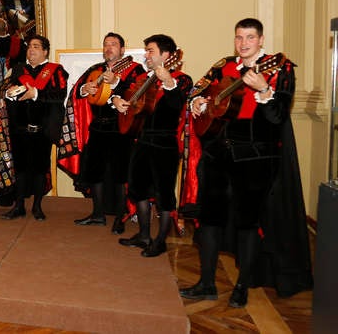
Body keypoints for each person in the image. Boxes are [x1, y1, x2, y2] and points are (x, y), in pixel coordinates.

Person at [179, 18, 312, 307]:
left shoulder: (280, 68)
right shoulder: (223, 66)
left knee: (247, 223)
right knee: (210, 221)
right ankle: (206, 283)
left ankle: (242, 285)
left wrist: (264, 89)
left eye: (250, 37)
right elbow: (198, 91)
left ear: (261, 40)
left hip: (255, 158)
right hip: (218, 155)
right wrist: (198, 103)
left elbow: (278, 116)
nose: (244, 43)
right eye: (239, 37)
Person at [112, 34, 190, 257]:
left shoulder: (182, 79)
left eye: (150, 51)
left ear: (166, 55)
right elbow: (122, 93)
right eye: (146, 50)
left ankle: (160, 241)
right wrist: (117, 100)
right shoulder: (144, 79)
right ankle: (144, 235)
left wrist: (168, 81)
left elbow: (177, 104)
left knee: (164, 194)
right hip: (142, 140)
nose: (146, 54)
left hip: (164, 143)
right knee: (139, 190)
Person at [72, 32, 145, 234]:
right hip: (98, 127)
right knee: (94, 171)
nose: (108, 48)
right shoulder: (96, 70)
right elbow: (78, 91)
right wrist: (85, 89)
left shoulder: (135, 69)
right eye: (105, 44)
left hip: (120, 127)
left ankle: (120, 217)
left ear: (122, 49)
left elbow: (136, 93)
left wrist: (115, 84)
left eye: (113, 44)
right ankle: (97, 214)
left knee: (120, 174)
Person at [1, 35, 68, 221]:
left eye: (36, 46)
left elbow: (59, 94)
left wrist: (36, 93)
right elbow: (5, 89)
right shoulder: (18, 69)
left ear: (45, 51)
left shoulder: (56, 71)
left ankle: (37, 206)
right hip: (19, 129)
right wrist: (8, 93)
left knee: (40, 169)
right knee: (20, 168)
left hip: (42, 130)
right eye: (29, 46)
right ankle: (19, 205)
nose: (31, 50)